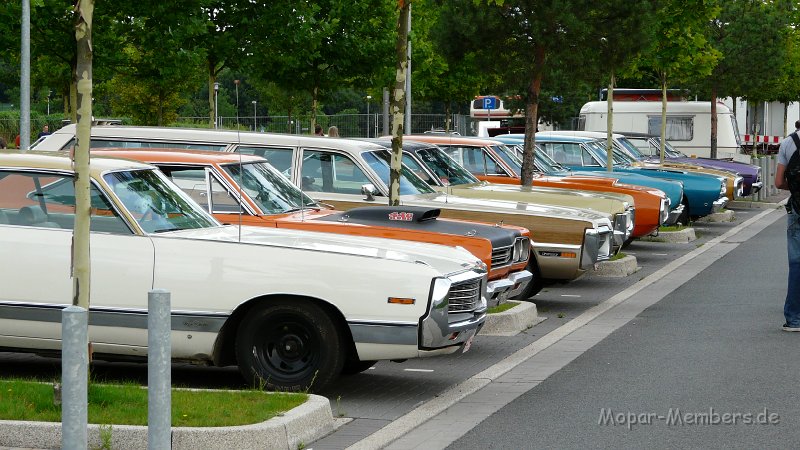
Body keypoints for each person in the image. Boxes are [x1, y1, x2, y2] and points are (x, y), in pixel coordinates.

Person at [775, 119, 800, 332]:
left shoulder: (788, 143)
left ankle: (793, 319)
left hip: (798, 210)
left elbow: (778, 182)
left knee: (797, 264)